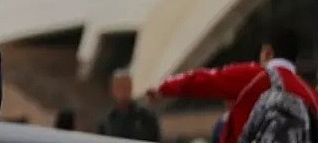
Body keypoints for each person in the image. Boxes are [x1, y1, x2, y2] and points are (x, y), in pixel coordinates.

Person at [146, 27, 318, 143]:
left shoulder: (254, 76)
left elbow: (207, 80)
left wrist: (165, 88)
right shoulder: (309, 93)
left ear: (267, 52)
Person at [97, 68, 161, 141]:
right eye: (120, 86)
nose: (124, 91)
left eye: (127, 87)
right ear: (113, 90)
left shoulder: (147, 118)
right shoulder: (106, 122)